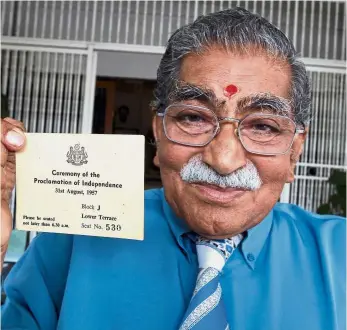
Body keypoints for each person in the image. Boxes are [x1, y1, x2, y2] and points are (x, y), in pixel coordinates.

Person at [1, 8, 345, 330]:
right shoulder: (71, 241)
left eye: (264, 127)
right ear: (158, 133)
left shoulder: (339, 257)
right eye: (193, 118)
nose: (223, 160)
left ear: (296, 150)